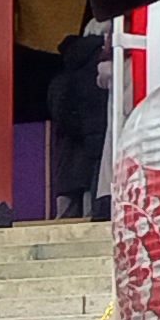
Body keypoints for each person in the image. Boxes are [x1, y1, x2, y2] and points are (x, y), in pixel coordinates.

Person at [46, 27, 109, 218]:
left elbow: (58, 111)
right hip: (97, 149)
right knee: (92, 213)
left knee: (65, 215)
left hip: (68, 152)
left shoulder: (62, 77)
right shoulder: (103, 71)